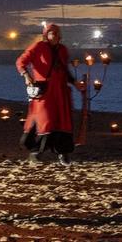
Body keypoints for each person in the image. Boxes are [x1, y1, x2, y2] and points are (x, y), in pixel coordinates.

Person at [15, 22, 81, 167]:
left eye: (57, 33)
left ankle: (63, 154)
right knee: (45, 121)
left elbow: (64, 70)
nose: (54, 36)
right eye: (51, 33)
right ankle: (35, 153)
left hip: (61, 92)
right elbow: (20, 62)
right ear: (46, 35)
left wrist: (74, 82)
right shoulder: (38, 47)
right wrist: (26, 75)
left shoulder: (63, 50)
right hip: (45, 92)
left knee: (63, 122)